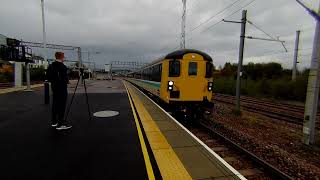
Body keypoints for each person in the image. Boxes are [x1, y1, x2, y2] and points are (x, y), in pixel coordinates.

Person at [47, 52, 72, 130]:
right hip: (62, 89)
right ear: (61, 57)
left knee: (55, 104)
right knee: (61, 106)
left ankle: (54, 122)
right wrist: (66, 81)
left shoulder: (51, 66)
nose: (64, 58)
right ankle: (60, 124)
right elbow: (65, 79)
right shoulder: (62, 66)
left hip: (54, 88)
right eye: (63, 56)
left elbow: (48, 77)